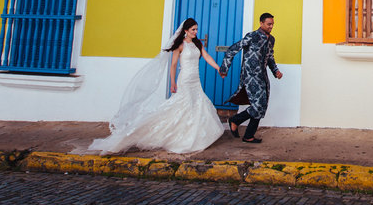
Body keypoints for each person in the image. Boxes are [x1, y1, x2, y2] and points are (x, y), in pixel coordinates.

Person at [89, 18, 226, 154]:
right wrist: (172, 82)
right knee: (184, 105)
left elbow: (206, 56)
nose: (196, 32)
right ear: (185, 31)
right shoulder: (180, 45)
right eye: (193, 30)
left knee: (196, 104)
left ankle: (194, 135)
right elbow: (173, 65)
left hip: (196, 80)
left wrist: (218, 68)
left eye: (196, 29)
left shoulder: (197, 44)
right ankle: (172, 135)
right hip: (184, 80)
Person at [220, 12, 282, 143]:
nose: (271, 27)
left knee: (261, 105)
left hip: (262, 76)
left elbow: (270, 57)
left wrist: (275, 71)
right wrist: (224, 68)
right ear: (261, 23)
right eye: (268, 24)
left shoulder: (271, 39)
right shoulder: (252, 36)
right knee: (257, 105)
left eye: (272, 24)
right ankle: (240, 126)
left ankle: (245, 131)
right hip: (250, 76)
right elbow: (232, 49)